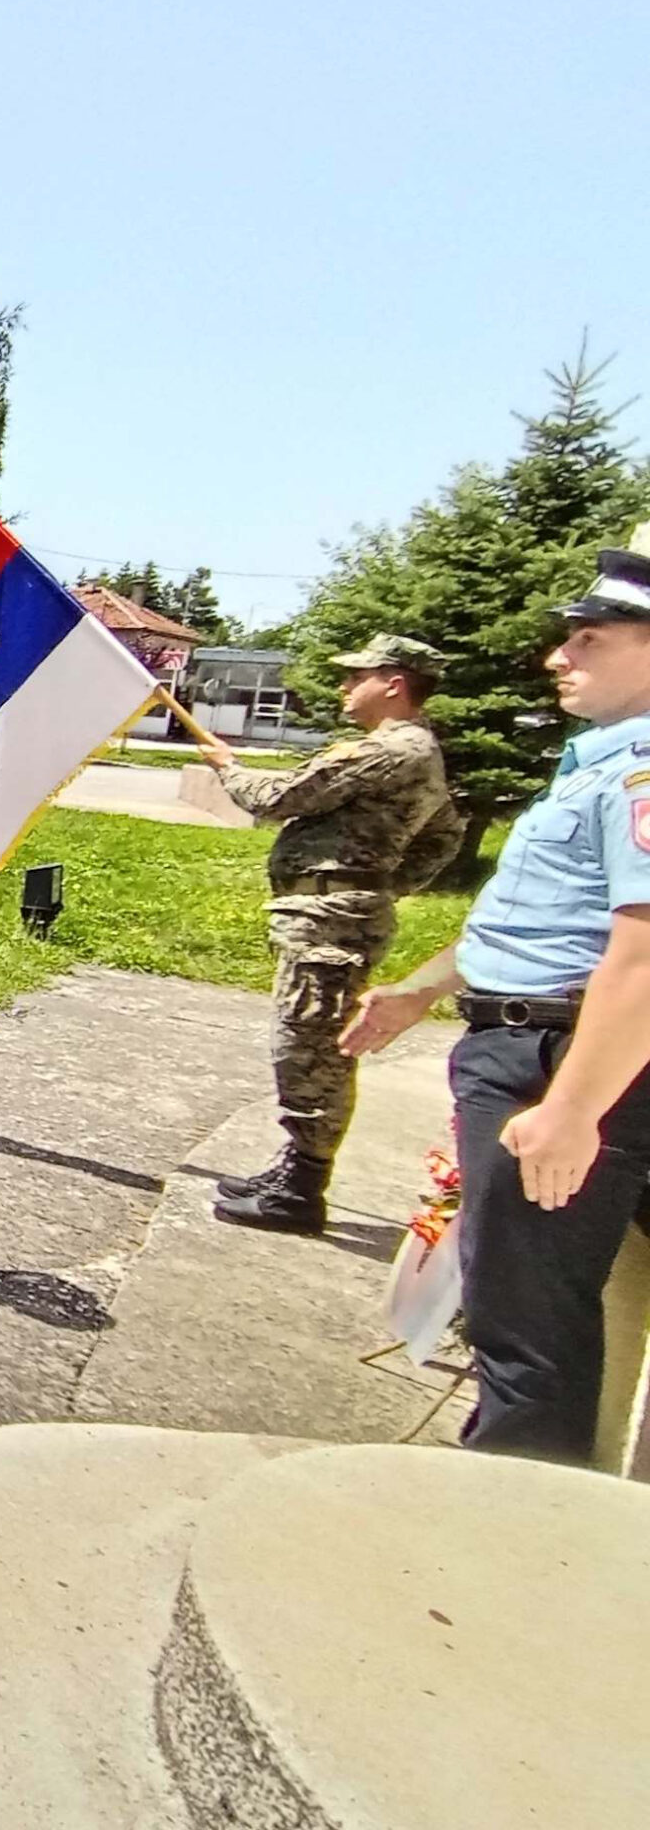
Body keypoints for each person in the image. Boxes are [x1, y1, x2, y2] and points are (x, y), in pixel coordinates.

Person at [338, 543, 650, 1464]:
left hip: (560, 1062)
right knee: (529, 1313)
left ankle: (507, 1546)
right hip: (539, 1040)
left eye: (589, 640)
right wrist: (422, 991)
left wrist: (572, 1111)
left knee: (526, 1330)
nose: (560, 658)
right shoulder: (601, 762)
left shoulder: (639, 771)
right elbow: (541, 925)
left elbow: (640, 951)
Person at [199, 633, 466, 1233]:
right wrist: (384, 885)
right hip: (330, 915)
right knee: (307, 1042)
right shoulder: (421, 751)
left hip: (329, 922)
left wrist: (228, 767)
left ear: (394, 683)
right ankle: (296, 1165)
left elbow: (277, 797)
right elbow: (444, 835)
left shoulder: (390, 749)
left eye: (357, 675)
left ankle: (301, 1188)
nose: (345, 686)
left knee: (310, 1048)